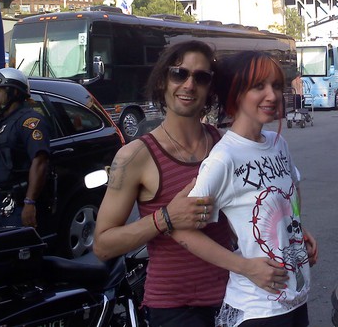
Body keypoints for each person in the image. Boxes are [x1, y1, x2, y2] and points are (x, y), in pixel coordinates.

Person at [93, 41, 283, 327]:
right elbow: (103, 245)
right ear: (162, 82)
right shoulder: (135, 157)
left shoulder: (224, 145)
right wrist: (165, 218)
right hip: (177, 308)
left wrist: (291, 235)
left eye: (201, 77)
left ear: (210, 89)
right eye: (179, 74)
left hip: (236, 296)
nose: (189, 85)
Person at [172, 50, 318, 327]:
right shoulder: (223, 158)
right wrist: (245, 267)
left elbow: (289, 197)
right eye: (258, 86)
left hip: (296, 298)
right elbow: (182, 230)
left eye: (276, 85)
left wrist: (298, 231)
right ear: (237, 94)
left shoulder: (278, 144)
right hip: (257, 309)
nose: (272, 96)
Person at [0, 68, 50, 229]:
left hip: (21, 203)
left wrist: (29, 202)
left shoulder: (29, 122)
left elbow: (40, 161)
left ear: (13, 92)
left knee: (24, 251)